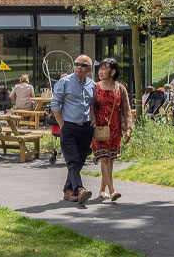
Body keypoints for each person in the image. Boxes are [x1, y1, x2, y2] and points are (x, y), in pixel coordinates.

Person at [51, 54, 96, 206]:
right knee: (72, 160)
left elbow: (92, 104)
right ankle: (80, 189)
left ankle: (67, 190)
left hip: (86, 128)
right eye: (76, 64)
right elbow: (55, 104)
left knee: (80, 161)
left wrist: (94, 120)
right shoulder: (64, 82)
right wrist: (62, 125)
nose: (78, 67)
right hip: (68, 126)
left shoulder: (92, 84)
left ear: (89, 68)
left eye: (82, 65)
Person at [90, 57, 133, 202]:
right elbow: (90, 107)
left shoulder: (120, 88)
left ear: (113, 71)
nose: (100, 71)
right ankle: (112, 191)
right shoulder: (94, 87)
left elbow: (126, 110)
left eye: (104, 68)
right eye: (100, 68)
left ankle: (102, 190)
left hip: (115, 130)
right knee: (104, 159)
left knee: (110, 161)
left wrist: (128, 128)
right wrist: (93, 121)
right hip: (99, 129)